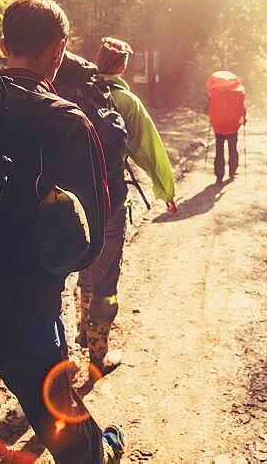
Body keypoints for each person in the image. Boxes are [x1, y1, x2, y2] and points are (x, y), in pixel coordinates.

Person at [0, 0, 124, 463]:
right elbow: (90, 239)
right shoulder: (67, 120)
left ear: (4, 45)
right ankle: (100, 453)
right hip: (26, 303)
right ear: (58, 51)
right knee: (60, 417)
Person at [74, 36, 177, 373]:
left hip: (74, 199)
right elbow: (148, 149)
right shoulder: (126, 102)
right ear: (122, 66)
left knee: (85, 267)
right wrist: (166, 191)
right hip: (111, 201)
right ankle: (98, 352)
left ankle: (80, 329)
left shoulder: (73, 93)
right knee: (107, 273)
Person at [206, 70, 246, 184]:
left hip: (219, 125)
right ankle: (232, 171)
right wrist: (244, 119)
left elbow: (210, 107)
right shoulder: (237, 92)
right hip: (233, 125)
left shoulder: (215, 92)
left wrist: (212, 116)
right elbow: (241, 107)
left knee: (219, 150)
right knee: (232, 148)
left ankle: (219, 175)